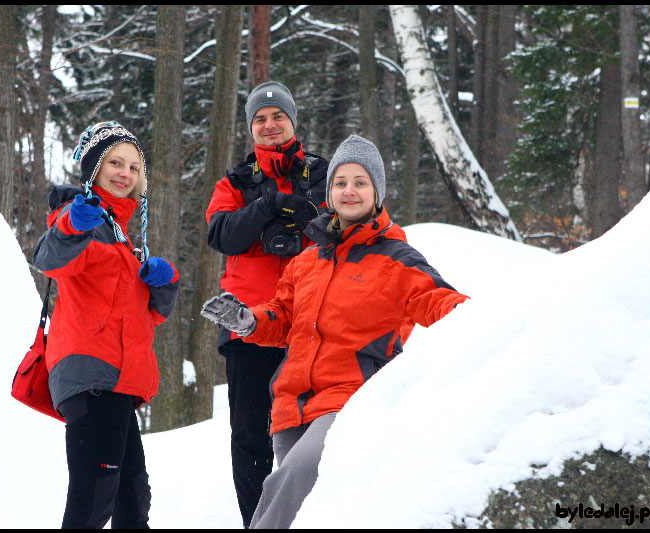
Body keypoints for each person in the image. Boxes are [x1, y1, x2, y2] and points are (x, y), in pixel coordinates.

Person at [201, 134, 470, 529]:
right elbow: (283, 316)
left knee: (286, 486)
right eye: (341, 182)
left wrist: (492, 320)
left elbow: (444, 305)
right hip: (292, 409)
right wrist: (249, 321)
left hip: (350, 405)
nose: (349, 191)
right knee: (311, 517)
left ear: (377, 192)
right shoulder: (308, 260)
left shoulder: (397, 260)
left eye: (361, 182)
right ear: (330, 193)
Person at [33, 121, 179, 529]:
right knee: (94, 496)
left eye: (134, 167)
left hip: (118, 379)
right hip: (91, 373)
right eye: (116, 162)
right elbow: (48, 258)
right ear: (95, 168)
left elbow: (149, 315)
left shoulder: (121, 236)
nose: (125, 173)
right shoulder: (81, 216)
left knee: (133, 499)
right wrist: (71, 224)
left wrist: (165, 284)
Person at [204, 81, 330, 527]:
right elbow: (221, 234)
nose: (270, 124)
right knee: (251, 435)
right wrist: (268, 207)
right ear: (250, 129)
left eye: (278, 116)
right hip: (247, 324)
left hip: (316, 323)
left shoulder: (325, 173)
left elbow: (353, 219)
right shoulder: (236, 181)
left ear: (293, 122)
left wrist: (307, 215)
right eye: (260, 119)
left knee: (315, 429)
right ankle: (255, 522)